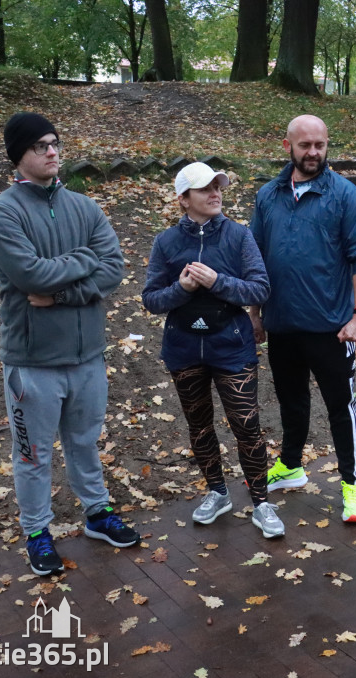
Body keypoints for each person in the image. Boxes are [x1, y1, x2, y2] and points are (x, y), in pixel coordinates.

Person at [0, 113, 140, 577]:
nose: (52, 152)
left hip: (87, 356)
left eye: (55, 143)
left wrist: (64, 291)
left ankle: (96, 514)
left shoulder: (85, 208)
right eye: (40, 146)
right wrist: (86, 261)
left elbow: (113, 267)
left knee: (86, 442)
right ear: (19, 156)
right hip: (32, 363)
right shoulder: (2, 213)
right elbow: (30, 275)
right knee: (33, 455)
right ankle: (36, 533)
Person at [142, 162, 284, 539]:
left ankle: (261, 503)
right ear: (183, 199)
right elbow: (151, 300)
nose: (215, 193)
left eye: (218, 186)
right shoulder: (166, 242)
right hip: (184, 350)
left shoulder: (239, 236)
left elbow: (260, 289)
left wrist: (219, 282)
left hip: (232, 347)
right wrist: (182, 289)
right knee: (199, 426)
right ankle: (218, 493)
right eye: (205, 188)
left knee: (247, 426)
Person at [249, 114, 356, 524]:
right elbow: (256, 259)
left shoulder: (343, 194)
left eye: (320, 144)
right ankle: (291, 467)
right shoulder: (268, 195)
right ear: (287, 146)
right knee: (291, 401)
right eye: (305, 145)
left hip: (332, 329)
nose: (313, 153)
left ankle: (352, 487)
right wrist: (256, 314)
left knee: (341, 407)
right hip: (283, 325)